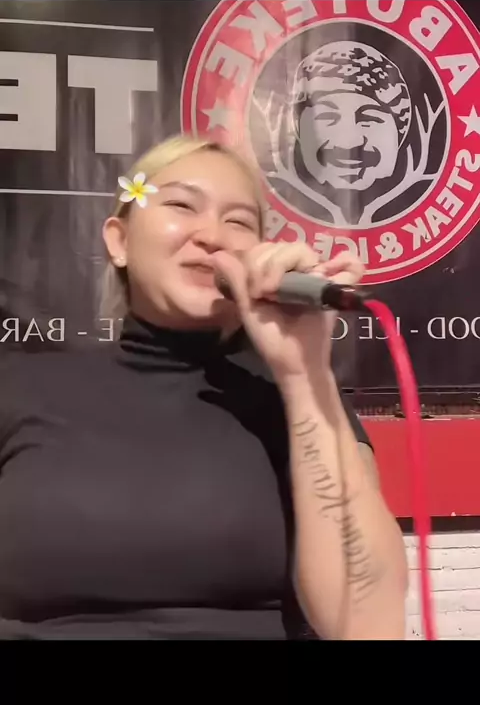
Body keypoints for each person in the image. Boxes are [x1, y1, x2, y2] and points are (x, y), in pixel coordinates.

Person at [0, 134, 408, 640]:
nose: (212, 235)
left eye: (238, 222)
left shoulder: (300, 400)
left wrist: (304, 376)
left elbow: (369, 624)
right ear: (119, 241)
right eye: (180, 205)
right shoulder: (21, 386)